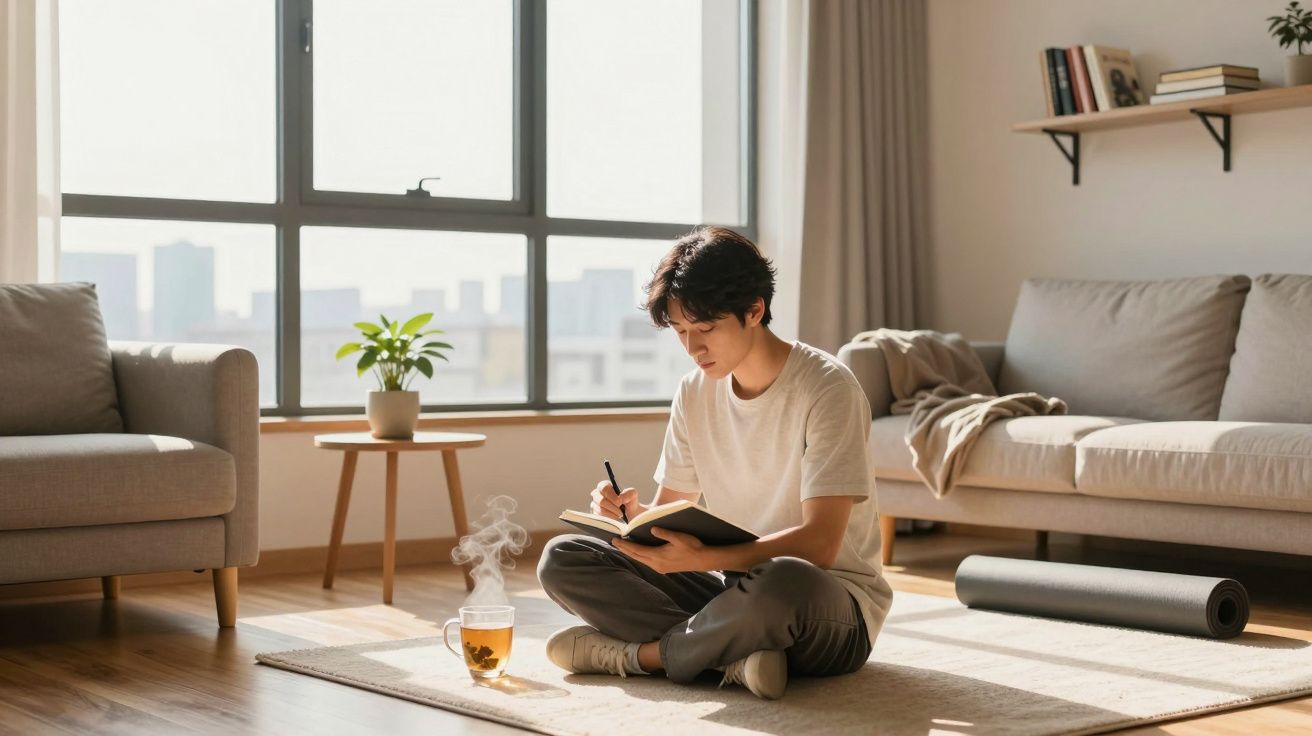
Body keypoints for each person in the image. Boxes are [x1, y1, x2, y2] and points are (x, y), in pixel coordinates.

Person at [536, 226, 893, 700]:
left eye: (705, 329)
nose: (693, 348)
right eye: (681, 331)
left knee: (782, 578)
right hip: (733, 594)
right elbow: (671, 516)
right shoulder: (694, 392)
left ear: (754, 311)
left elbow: (821, 545)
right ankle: (735, 658)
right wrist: (630, 517)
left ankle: (637, 658)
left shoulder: (828, 388)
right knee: (562, 558)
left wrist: (706, 559)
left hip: (824, 607)